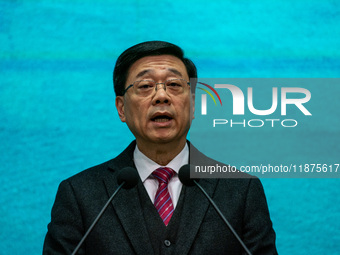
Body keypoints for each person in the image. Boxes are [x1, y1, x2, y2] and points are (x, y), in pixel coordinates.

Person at [43, 41, 277, 255]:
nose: (161, 96)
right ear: (121, 108)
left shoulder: (241, 190)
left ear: (193, 104)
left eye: (174, 84)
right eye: (145, 86)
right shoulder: (79, 195)